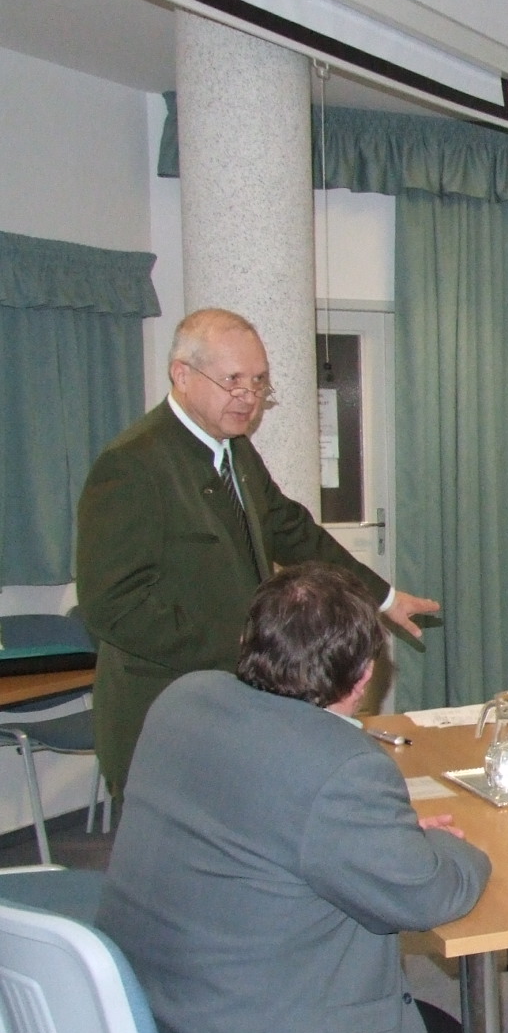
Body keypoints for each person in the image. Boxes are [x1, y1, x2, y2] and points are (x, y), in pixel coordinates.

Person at [97, 564, 489, 1033]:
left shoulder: (182, 700)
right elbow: (428, 893)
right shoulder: (342, 765)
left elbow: (268, 810)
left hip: (132, 1008)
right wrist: (467, 850)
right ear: (364, 677)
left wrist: (381, 834)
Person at [74, 308, 439, 800]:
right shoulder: (133, 464)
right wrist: (248, 650)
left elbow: (294, 533)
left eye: (259, 382)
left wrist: (383, 597)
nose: (248, 397)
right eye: (233, 381)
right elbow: (114, 607)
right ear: (182, 375)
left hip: (236, 706)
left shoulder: (236, 451)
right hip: (166, 711)